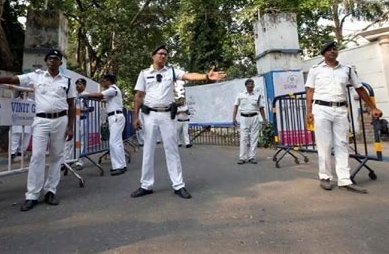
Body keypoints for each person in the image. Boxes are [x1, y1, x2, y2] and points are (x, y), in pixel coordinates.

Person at [0, 49, 75, 211]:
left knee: (56, 157)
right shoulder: (35, 76)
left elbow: (72, 104)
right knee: (37, 156)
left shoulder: (67, 81)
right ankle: (32, 195)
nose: (53, 61)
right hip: (41, 120)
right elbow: (11, 79)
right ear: (46, 61)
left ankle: (50, 191)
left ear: (61, 62)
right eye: (50, 58)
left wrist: (70, 126)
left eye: (56, 58)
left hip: (61, 120)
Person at [131, 44, 226, 199]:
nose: (163, 56)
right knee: (148, 150)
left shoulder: (172, 71)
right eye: (160, 53)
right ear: (153, 56)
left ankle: (178, 185)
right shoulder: (144, 73)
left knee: (172, 150)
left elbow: (188, 75)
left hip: (167, 115)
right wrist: (135, 117)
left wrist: (206, 76)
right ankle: (146, 185)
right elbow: (139, 96)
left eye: (165, 54)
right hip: (149, 116)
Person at [305, 41, 382, 194]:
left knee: (342, 143)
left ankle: (344, 180)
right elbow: (310, 92)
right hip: (321, 109)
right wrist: (308, 112)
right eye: (329, 50)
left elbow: (359, 89)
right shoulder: (315, 70)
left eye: (335, 49)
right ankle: (325, 177)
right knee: (324, 145)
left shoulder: (347, 70)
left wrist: (373, 107)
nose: (333, 52)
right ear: (324, 54)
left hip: (340, 110)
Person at [80, 74, 127, 176]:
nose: (102, 83)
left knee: (114, 142)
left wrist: (86, 95)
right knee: (117, 142)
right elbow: (101, 99)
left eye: (103, 81)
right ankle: (122, 165)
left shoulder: (113, 89)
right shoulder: (112, 91)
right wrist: (89, 97)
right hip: (114, 117)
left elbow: (100, 95)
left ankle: (119, 166)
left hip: (115, 117)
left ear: (108, 80)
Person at [232, 79, 267, 164]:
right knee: (243, 138)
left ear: (254, 86)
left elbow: (261, 108)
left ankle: (252, 157)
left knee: (254, 138)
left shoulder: (258, 96)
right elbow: (236, 106)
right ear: (246, 85)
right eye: (249, 84)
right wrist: (233, 118)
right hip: (243, 118)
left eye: (252, 84)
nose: (251, 86)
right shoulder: (240, 95)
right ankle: (242, 158)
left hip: (254, 117)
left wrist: (264, 120)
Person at [63, 78, 88, 170]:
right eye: (76, 84)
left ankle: (79, 161)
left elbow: (86, 108)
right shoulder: (73, 95)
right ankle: (66, 161)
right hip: (73, 121)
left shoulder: (86, 95)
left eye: (80, 84)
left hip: (82, 119)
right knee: (69, 140)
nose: (78, 86)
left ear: (84, 86)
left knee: (80, 141)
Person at [10, 91, 32, 162]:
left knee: (25, 139)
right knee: (15, 138)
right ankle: (12, 154)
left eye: (25, 92)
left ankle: (21, 153)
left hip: (27, 123)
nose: (23, 93)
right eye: (21, 92)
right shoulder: (15, 101)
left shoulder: (31, 102)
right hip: (17, 123)